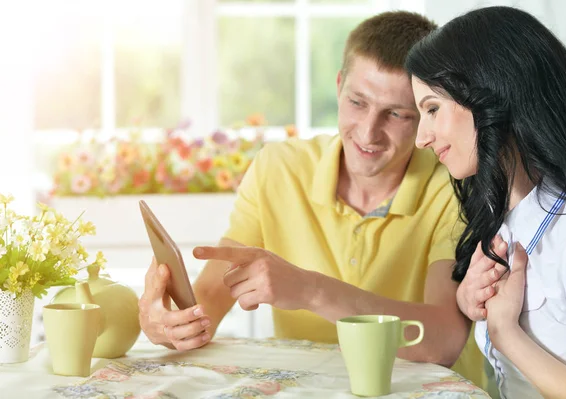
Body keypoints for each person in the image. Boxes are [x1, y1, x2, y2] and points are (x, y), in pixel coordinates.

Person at [139, 11, 485, 388]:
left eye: (397, 114)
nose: (369, 133)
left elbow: (445, 338)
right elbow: (205, 304)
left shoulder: (453, 183)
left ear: (425, 112)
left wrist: (309, 290)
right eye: (357, 102)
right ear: (339, 87)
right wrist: (168, 323)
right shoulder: (278, 168)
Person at [407, 5, 566, 398]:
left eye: (432, 109)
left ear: (491, 92)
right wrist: (469, 299)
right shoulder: (506, 219)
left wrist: (506, 334)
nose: (420, 138)